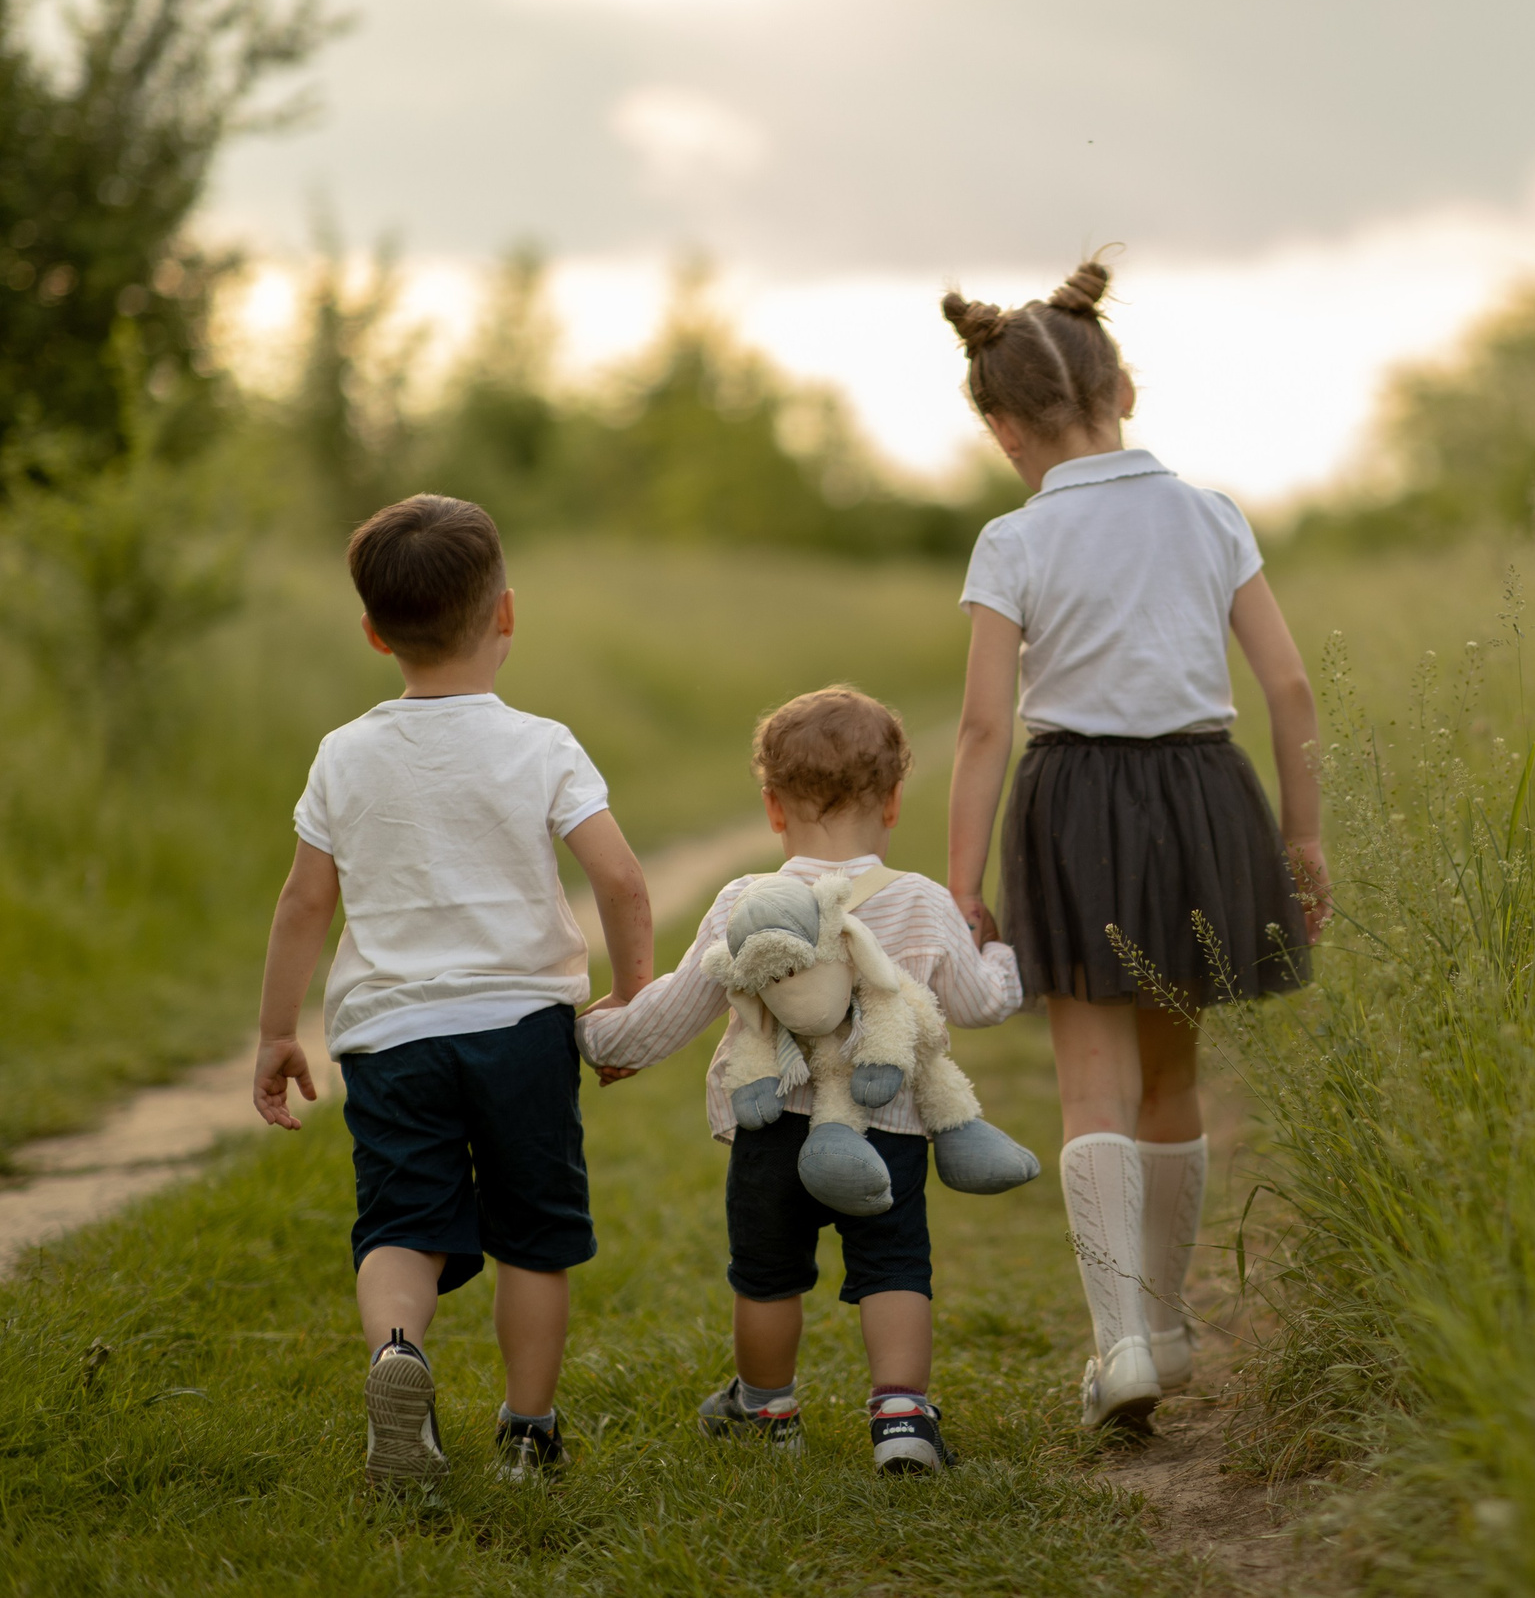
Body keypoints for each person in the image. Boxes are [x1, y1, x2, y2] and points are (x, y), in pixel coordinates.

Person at [941, 258, 1331, 1431]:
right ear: (1126, 388)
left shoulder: (1013, 542)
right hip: (1207, 791)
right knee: (1173, 1074)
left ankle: (1120, 1346)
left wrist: (960, 883)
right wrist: (1301, 838)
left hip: (1076, 803)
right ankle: (1166, 1326)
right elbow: (1292, 688)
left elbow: (980, 725)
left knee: (1089, 1083)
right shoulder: (1212, 516)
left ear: (1003, 428)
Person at [252, 494, 654, 1485]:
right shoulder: (543, 745)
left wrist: (275, 1031)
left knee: (400, 1225)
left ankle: (398, 1355)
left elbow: (306, 902)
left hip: (389, 1038)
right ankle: (527, 1431)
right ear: (505, 614)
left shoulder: (345, 753)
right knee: (532, 1235)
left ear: (373, 632)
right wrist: (633, 997)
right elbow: (620, 879)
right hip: (521, 1028)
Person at [575, 686, 1023, 1473]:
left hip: (770, 1124)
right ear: (892, 802)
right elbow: (983, 1006)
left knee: (767, 1274)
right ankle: (902, 1417)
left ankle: (766, 1407)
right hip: (888, 1130)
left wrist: (592, 1036)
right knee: (893, 1265)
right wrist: (997, 955)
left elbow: (674, 1010)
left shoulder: (745, 903)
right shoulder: (921, 902)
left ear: (773, 808)